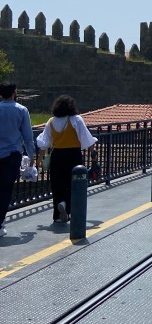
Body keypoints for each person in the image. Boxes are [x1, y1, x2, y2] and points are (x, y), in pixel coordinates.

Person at [36, 94, 97, 224]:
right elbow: (87, 139)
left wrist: (39, 159)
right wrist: (94, 157)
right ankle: (67, 208)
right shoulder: (76, 120)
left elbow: (43, 142)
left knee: (57, 184)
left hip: (57, 156)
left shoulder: (51, 121)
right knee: (73, 184)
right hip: (73, 155)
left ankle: (58, 215)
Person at [0, 81, 38, 238]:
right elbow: (28, 137)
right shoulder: (21, 110)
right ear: (14, 92)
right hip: (12, 155)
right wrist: (31, 155)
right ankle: (0, 223)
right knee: (5, 189)